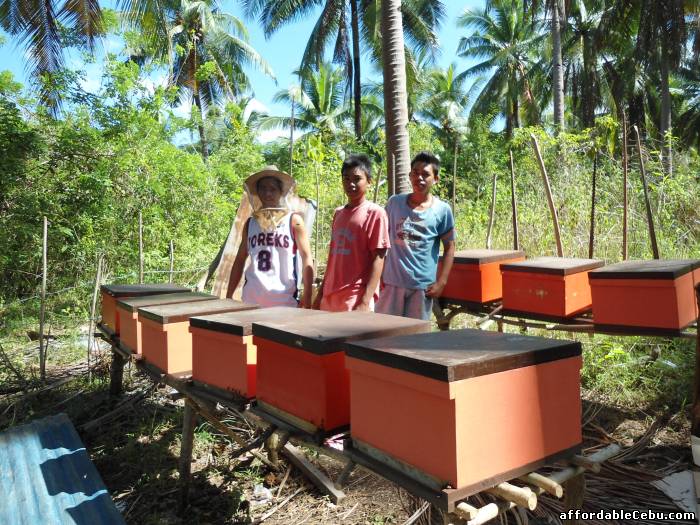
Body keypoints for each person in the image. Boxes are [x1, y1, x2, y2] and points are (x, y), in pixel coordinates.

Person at [375, 151, 456, 320]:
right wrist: (379, 275)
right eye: (415, 173)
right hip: (391, 283)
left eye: (425, 174)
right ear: (410, 176)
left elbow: (449, 247)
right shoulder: (394, 203)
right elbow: (381, 238)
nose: (419, 178)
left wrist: (442, 282)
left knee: (415, 339)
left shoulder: (442, 210)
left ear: (435, 179)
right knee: (384, 336)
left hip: (421, 288)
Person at [227, 167, 314, 308]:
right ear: (257, 192)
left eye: (273, 189)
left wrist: (308, 294)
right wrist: (229, 295)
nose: (267, 193)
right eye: (263, 188)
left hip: (284, 302)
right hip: (251, 299)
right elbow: (239, 259)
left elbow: (307, 257)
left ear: (281, 192)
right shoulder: (250, 223)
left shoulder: (293, 221)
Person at [313, 154, 390, 312]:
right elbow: (332, 258)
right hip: (330, 295)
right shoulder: (338, 213)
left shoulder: (375, 213)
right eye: (346, 178)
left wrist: (365, 301)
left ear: (369, 181)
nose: (351, 184)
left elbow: (379, 257)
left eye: (357, 179)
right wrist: (320, 294)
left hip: (354, 296)